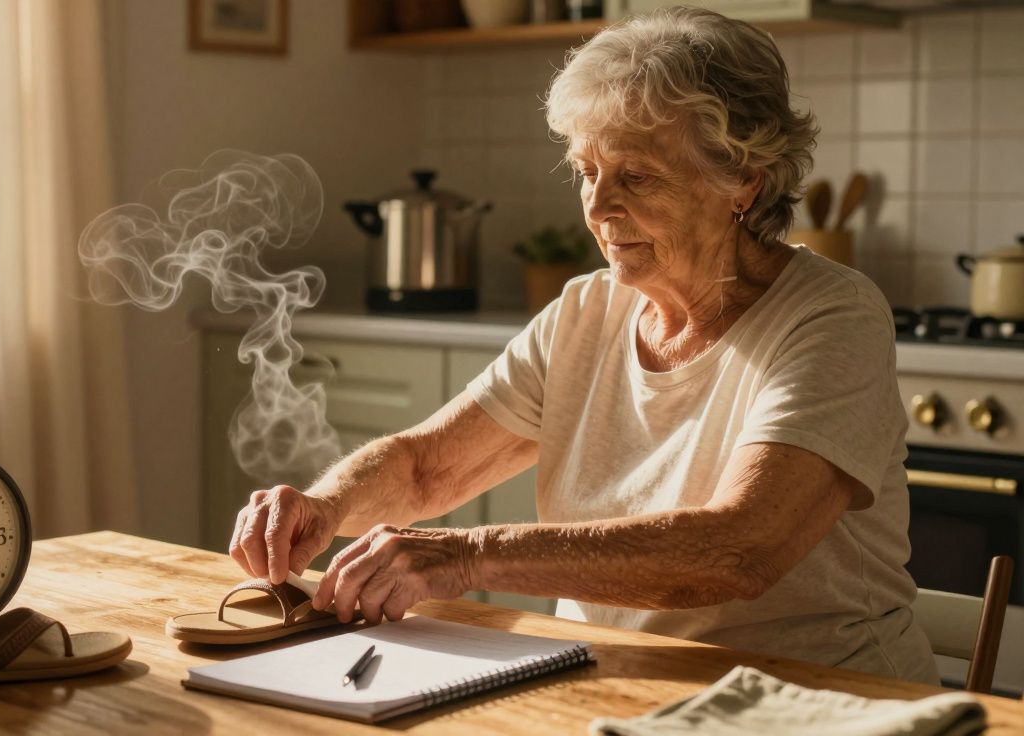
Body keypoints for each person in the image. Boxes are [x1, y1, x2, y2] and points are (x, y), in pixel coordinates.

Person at [229, 5, 938, 684]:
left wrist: (470, 556)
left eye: (636, 176)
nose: (598, 209)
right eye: (587, 172)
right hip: (612, 682)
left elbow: (739, 550)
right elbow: (424, 471)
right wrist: (321, 508)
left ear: (742, 181)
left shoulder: (832, 317)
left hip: (812, 699)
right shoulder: (586, 310)